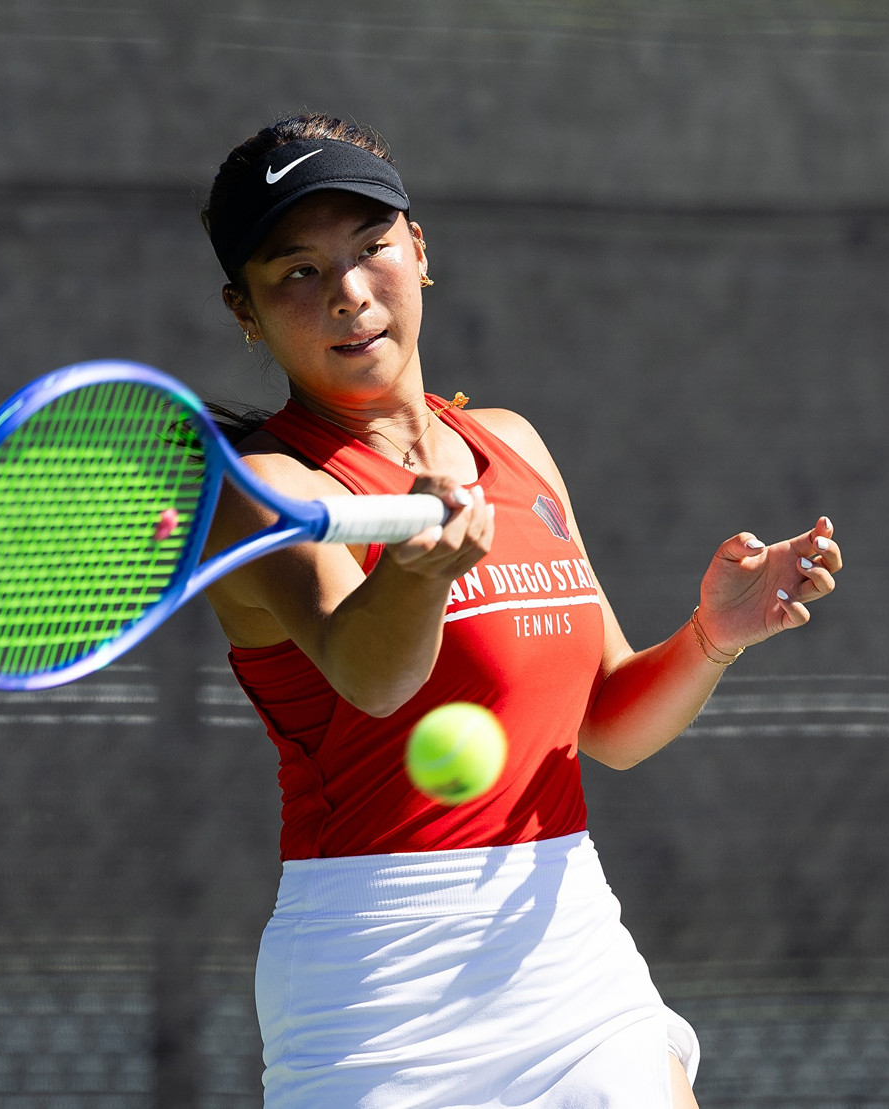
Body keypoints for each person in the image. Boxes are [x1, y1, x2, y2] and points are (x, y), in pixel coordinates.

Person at [198, 113, 842, 1108]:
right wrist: (416, 574)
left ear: (420, 248)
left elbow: (607, 725)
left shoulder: (514, 446)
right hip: (379, 985)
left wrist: (715, 632)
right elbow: (368, 674)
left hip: (570, 947)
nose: (351, 294)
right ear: (247, 310)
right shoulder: (263, 485)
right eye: (299, 273)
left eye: (371, 249)